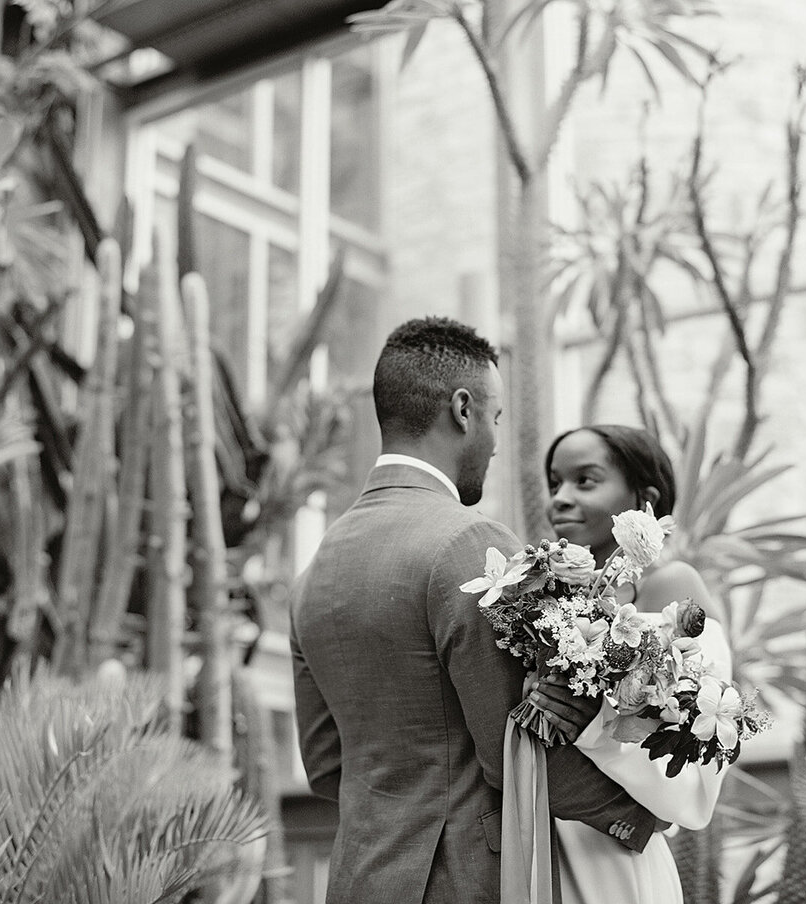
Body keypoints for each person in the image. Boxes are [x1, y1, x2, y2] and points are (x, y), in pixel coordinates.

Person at [290, 319, 660, 904]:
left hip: (357, 879)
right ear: (463, 410)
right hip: (462, 883)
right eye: (495, 419)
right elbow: (516, 750)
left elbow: (325, 766)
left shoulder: (314, 572)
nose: (494, 442)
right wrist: (642, 817)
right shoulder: (470, 543)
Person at [543, 424, 733, 904]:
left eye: (584, 481)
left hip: (616, 860)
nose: (560, 499)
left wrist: (594, 729)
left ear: (643, 500)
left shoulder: (673, 585)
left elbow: (694, 790)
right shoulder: (546, 598)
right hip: (534, 852)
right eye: (554, 483)